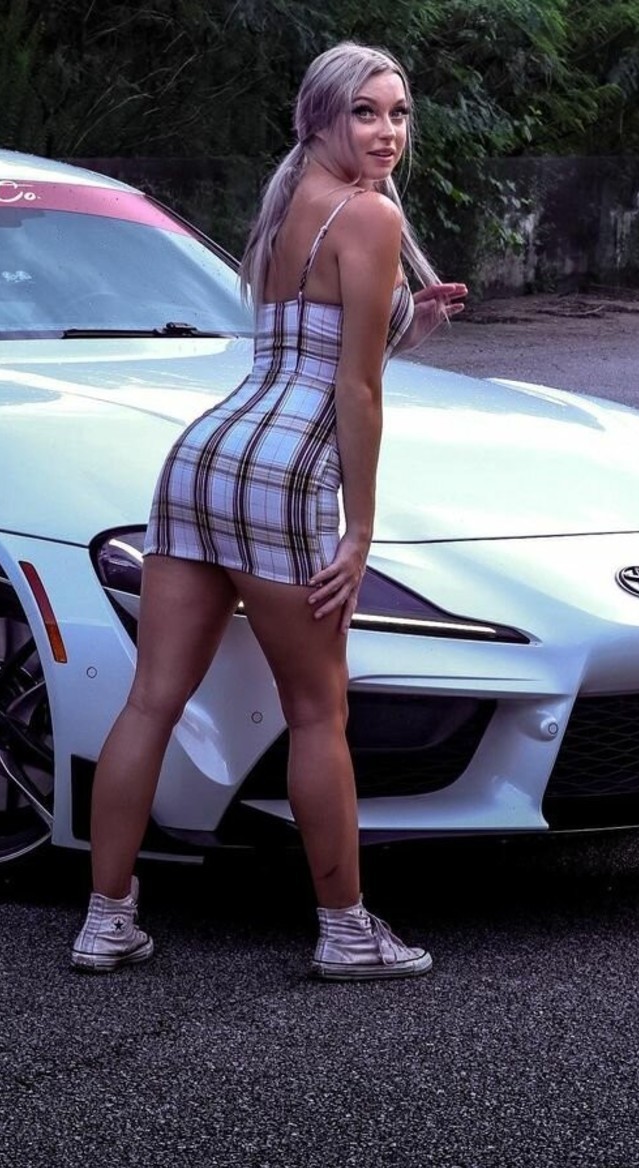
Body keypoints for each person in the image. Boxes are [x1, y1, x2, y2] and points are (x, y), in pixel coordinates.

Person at [71, 41, 467, 979]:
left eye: (399, 113)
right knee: (318, 712)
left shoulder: (291, 199)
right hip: (284, 474)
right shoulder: (369, 214)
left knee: (152, 699)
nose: (387, 132)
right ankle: (347, 932)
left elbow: (308, 348)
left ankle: (106, 920)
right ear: (319, 117)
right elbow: (354, 391)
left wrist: (412, 322)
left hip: (204, 455)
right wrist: (360, 530)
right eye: (365, 112)